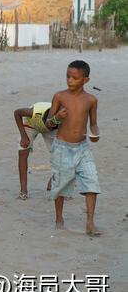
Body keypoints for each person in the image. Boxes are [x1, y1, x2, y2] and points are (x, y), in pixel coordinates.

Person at [45, 60, 101, 236]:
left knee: (92, 181)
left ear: (86, 80)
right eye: (68, 76)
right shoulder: (60, 97)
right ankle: (59, 219)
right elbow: (48, 125)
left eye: (75, 78)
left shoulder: (91, 100)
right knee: (60, 185)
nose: (70, 80)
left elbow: (93, 124)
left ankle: (90, 223)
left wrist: (95, 134)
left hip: (83, 148)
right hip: (62, 148)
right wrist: (57, 118)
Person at [13, 102, 56, 199]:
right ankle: (23, 191)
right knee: (23, 151)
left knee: (61, 155)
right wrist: (23, 136)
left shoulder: (63, 118)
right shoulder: (33, 112)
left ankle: (54, 180)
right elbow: (17, 113)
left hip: (54, 130)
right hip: (31, 123)